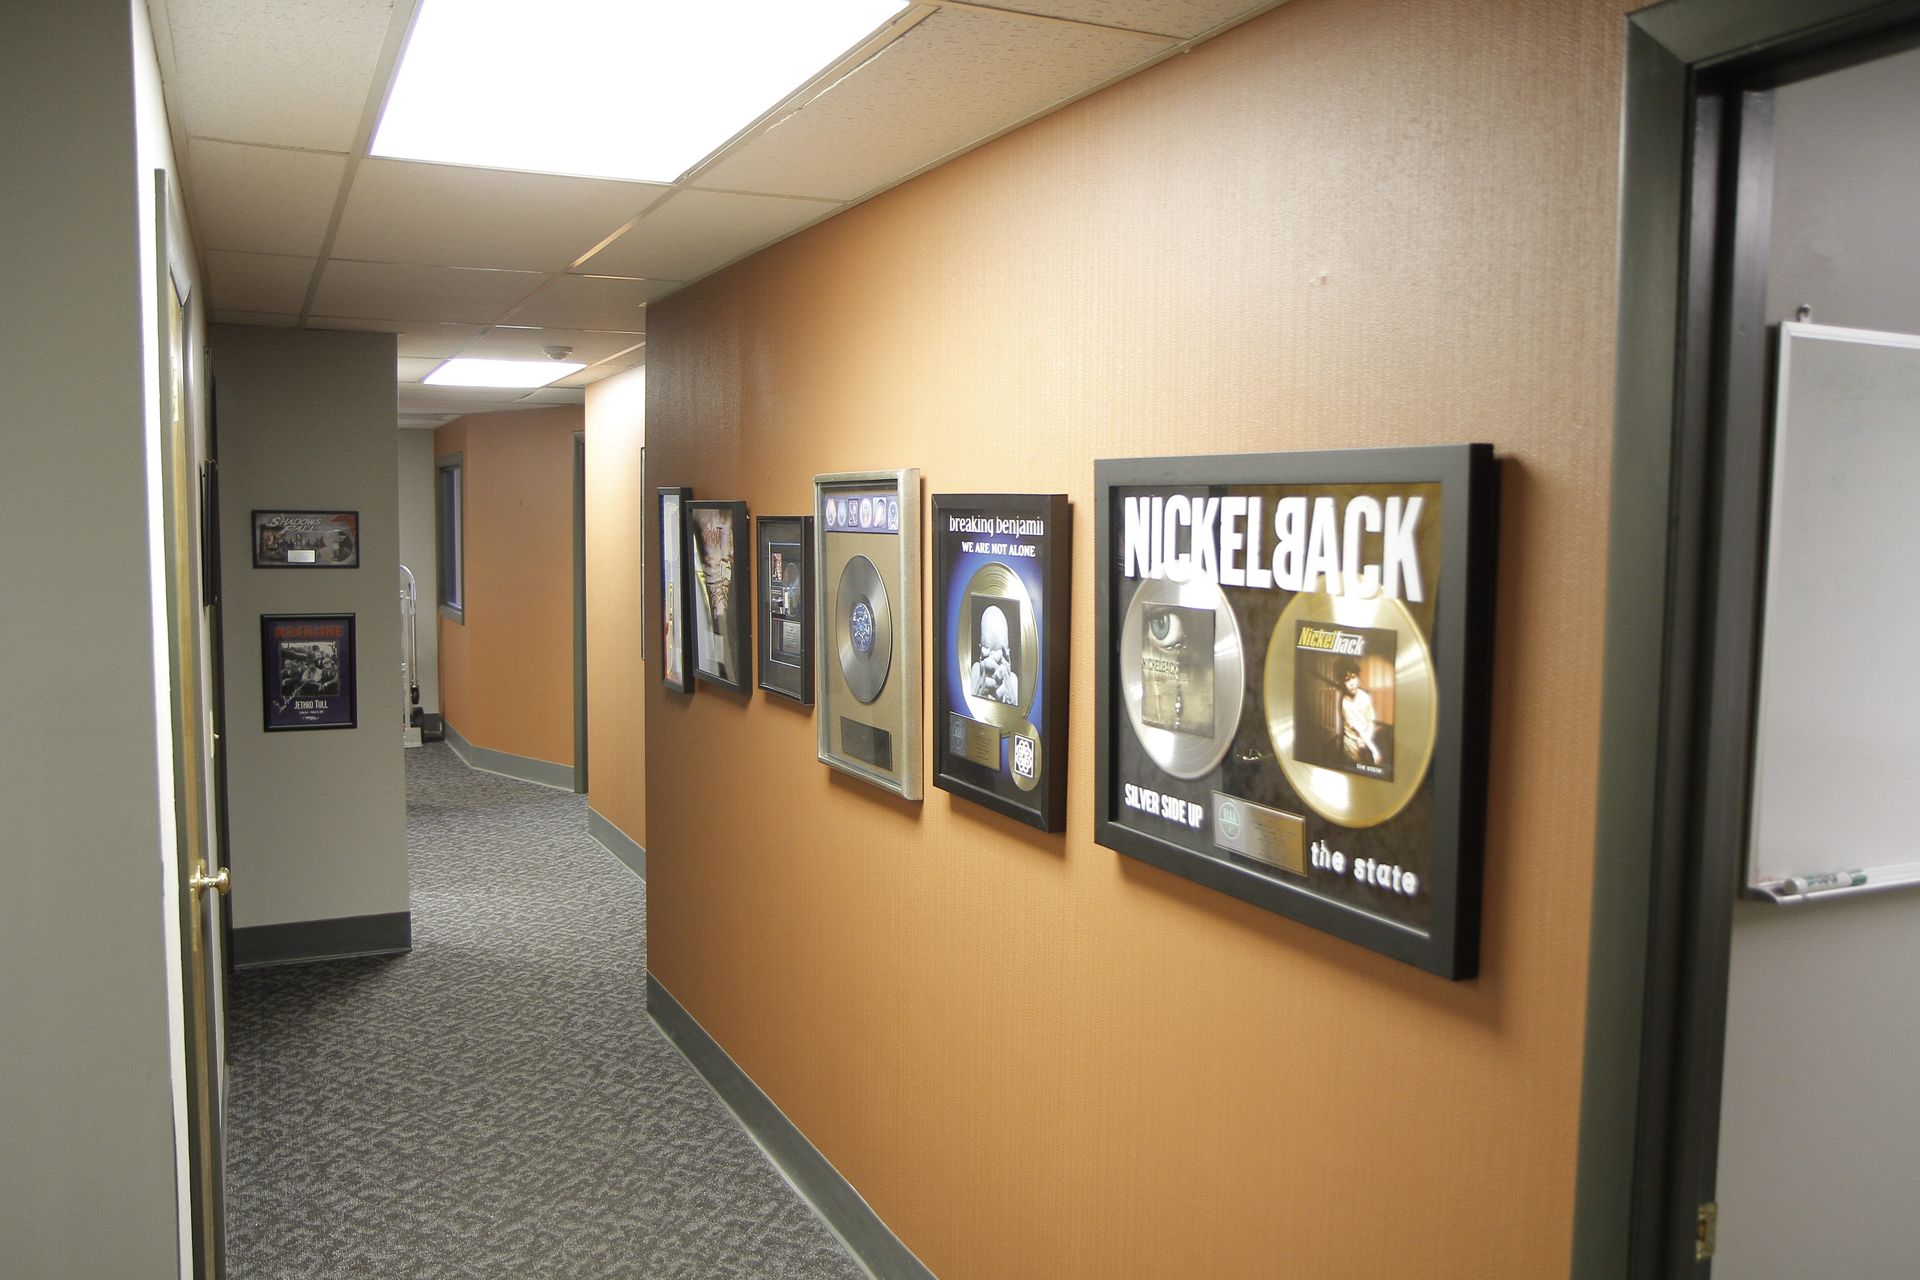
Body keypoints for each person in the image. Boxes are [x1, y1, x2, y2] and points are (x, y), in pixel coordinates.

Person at [1336, 660, 1382, 767]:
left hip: (1366, 737)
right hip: (1351, 742)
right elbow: (1358, 729)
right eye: (1347, 680)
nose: (1352, 682)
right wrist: (1375, 751)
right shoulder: (1345, 703)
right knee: (1354, 767)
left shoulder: (1365, 697)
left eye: (1353, 677)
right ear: (1343, 683)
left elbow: (1370, 721)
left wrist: (1367, 739)